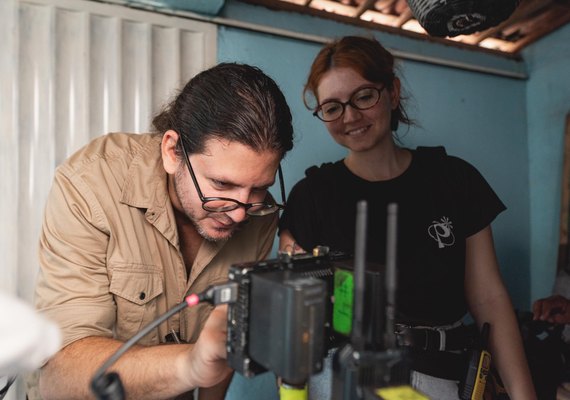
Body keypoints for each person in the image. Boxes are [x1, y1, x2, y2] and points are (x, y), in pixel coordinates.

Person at [278, 36, 537, 399]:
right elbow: (293, 316)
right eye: (332, 107)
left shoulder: (454, 179)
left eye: (364, 96)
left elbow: (488, 297)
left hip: (444, 377)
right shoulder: (311, 195)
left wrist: (524, 394)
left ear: (393, 92)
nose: (350, 116)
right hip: (346, 379)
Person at [29, 62, 294, 400]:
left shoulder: (260, 212)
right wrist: (190, 364)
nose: (240, 212)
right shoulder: (89, 184)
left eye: (258, 188)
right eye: (221, 184)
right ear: (172, 151)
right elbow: (60, 377)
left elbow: (222, 343)